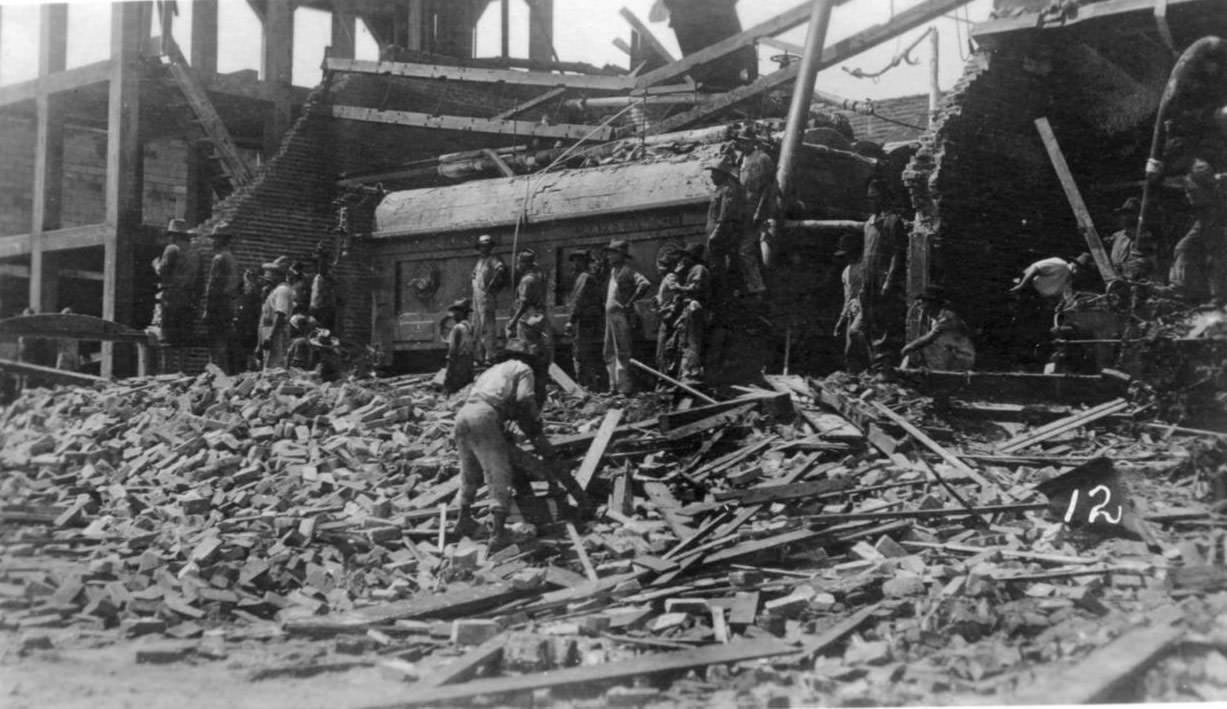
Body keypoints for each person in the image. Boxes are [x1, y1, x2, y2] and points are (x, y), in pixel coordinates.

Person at [453, 338, 557, 551]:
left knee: (469, 470)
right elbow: (524, 398)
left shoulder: (492, 370)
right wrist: (534, 423)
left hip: (463, 415)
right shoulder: (523, 368)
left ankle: (463, 519)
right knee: (498, 473)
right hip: (485, 415)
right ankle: (498, 534)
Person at [859, 179, 907, 377]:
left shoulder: (893, 221)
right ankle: (873, 365)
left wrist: (890, 279)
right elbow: (866, 253)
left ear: (884, 198)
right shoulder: (868, 224)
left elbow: (898, 253)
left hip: (883, 278)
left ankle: (884, 368)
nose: (872, 202)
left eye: (875, 198)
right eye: (869, 198)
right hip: (868, 278)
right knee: (868, 322)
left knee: (884, 322)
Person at [1172, 158, 1225, 302]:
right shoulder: (1189, 173)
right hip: (1203, 220)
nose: (1188, 196)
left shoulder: (1200, 170)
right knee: (1182, 248)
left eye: (1191, 192)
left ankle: (1219, 298)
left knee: (1216, 257)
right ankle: (1180, 288)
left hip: (1217, 218)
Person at [603, 239, 651, 395]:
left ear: (620, 255)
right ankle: (613, 386)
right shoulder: (613, 272)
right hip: (610, 317)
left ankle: (625, 388)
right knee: (609, 351)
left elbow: (644, 284)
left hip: (620, 316)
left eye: (612, 254)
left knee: (622, 351)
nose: (609, 257)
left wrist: (630, 302)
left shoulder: (627, 271)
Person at [506, 249, 553, 407]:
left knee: (526, 351)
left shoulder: (526, 280)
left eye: (520, 262)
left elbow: (524, 303)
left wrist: (513, 321)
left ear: (525, 263)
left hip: (527, 317)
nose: (517, 265)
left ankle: (529, 384)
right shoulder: (538, 276)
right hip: (538, 317)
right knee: (536, 349)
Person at [153, 218, 201, 373]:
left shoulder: (172, 249)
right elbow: (201, 280)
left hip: (172, 299)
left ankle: (167, 373)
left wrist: (156, 266)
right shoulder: (195, 253)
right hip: (189, 301)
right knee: (184, 340)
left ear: (174, 235)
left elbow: (163, 271)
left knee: (167, 339)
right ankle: (183, 373)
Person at [735, 126, 773, 297]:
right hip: (744, 209)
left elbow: (769, 187)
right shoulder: (741, 159)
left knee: (746, 249)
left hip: (758, 208)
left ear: (753, 142)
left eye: (745, 142)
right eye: (741, 142)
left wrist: (760, 210)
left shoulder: (763, 158)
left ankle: (758, 287)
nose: (742, 145)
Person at [900, 286, 976, 370]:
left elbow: (930, 338)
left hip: (961, 357)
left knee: (924, 347)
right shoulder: (936, 319)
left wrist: (909, 347)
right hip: (952, 354)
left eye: (924, 303)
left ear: (933, 303)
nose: (921, 308)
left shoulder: (947, 317)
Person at [563, 250, 606, 391]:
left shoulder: (584, 278)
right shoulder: (585, 277)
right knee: (587, 353)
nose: (574, 263)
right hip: (590, 321)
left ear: (583, 262)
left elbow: (578, 300)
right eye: (574, 260)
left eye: (577, 260)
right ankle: (591, 385)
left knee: (582, 353)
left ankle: (586, 386)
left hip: (585, 321)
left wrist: (570, 320)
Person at [202, 230, 241, 373]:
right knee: (223, 343)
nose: (212, 242)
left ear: (220, 240)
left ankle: (214, 374)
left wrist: (207, 309)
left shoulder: (219, 258)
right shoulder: (231, 258)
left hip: (218, 306)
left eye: (215, 239)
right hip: (228, 306)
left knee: (215, 344)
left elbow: (213, 286)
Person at [674, 243, 711, 382]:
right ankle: (690, 371)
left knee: (693, 340)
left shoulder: (698, 269)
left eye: (686, 257)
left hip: (695, 306)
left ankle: (693, 372)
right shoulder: (694, 269)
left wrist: (679, 288)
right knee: (688, 341)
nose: (683, 260)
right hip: (691, 306)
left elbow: (696, 288)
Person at [833, 232, 869, 374]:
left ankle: (867, 373)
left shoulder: (866, 268)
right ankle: (853, 376)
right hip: (852, 311)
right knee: (850, 350)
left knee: (861, 343)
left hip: (865, 310)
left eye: (849, 253)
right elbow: (847, 297)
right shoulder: (846, 272)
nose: (847, 257)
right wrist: (842, 319)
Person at [471, 234, 510, 365]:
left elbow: (501, 269)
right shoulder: (480, 261)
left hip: (486, 297)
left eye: (486, 247)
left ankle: (490, 355)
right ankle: (479, 356)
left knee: (487, 327)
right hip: (477, 298)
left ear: (490, 248)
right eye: (482, 247)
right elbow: (476, 274)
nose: (484, 249)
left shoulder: (492, 259)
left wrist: (493, 284)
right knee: (478, 326)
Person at [704, 158, 744, 283]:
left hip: (721, 235)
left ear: (722, 173)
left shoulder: (728, 190)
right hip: (716, 235)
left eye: (714, 173)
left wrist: (715, 233)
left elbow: (724, 215)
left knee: (718, 266)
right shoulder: (720, 189)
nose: (711, 176)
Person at [1105, 197, 1155, 281]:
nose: (1123, 217)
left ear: (1136, 216)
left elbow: (1145, 262)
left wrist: (1122, 269)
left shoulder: (1143, 236)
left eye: (1127, 214)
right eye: (1123, 214)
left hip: (1133, 283)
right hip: (1114, 280)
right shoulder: (1118, 235)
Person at [258, 256, 294, 369]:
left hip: (275, 333)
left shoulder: (282, 290)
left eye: (273, 273)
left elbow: (280, 314)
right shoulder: (275, 290)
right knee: (267, 365)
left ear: (280, 275)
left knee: (274, 366)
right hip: (268, 330)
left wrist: (270, 336)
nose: (269, 277)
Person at [654, 246, 685, 378]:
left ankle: (665, 381)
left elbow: (677, 294)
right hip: (665, 317)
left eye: (663, 265)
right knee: (662, 351)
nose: (660, 268)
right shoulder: (666, 278)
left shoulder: (670, 277)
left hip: (669, 319)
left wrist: (668, 310)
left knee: (665, 350)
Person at [441, 298, 475, 394]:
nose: (453, 315)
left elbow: (452, 352)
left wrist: (448, 375)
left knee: (453, 391)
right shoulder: (469, 326)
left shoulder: (457, 328)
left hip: (458, 365)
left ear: (462, 313)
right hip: (468, 363)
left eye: (456, 312)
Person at [232, 269, 263, 371]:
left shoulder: (256, 297)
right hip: (240, 332)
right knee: (239, 358)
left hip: (250, 332)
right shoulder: (241, 295)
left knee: (249, 358)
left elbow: (256, 315)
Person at [310, 245, 338, 331]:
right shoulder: (317, 277)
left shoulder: (328, 277)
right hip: (315, 308)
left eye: (322, 262)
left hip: (324, 310)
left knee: (323, 331)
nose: (319, 265)